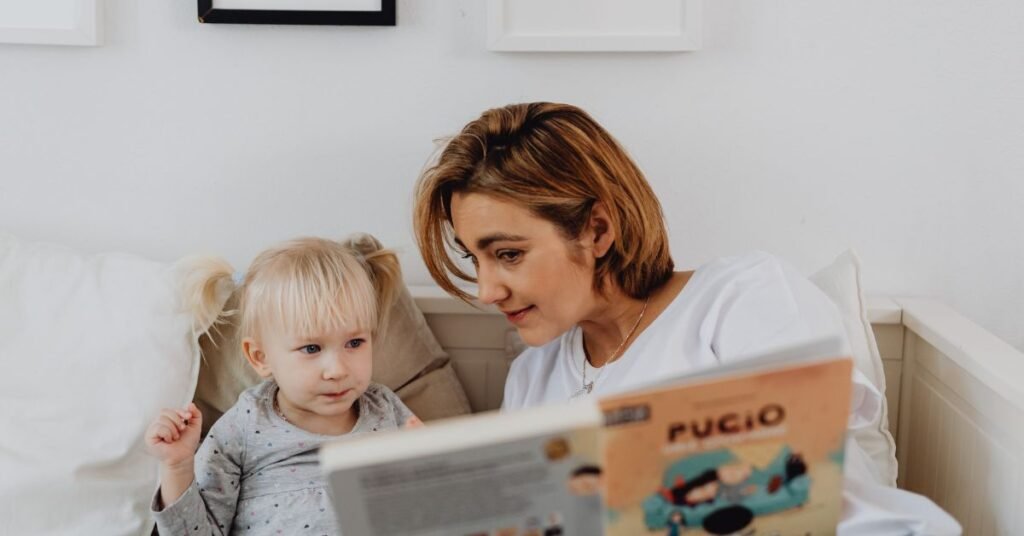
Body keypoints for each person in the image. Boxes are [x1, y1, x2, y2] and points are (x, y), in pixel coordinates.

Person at [413, 102, 961, 535]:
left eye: (507, 254)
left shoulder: (742, 297)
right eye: (473, 258)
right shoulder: (533, 377)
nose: (486, 290)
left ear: (598, 231)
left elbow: (818, 483)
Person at [145, 237, 422, 535]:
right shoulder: (244, 427)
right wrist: (176, 467)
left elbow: (436, 509)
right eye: (312, 349)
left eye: (355, 343)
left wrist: (429, 464)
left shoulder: (386, 409)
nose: (338, 370)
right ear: (260, 357)